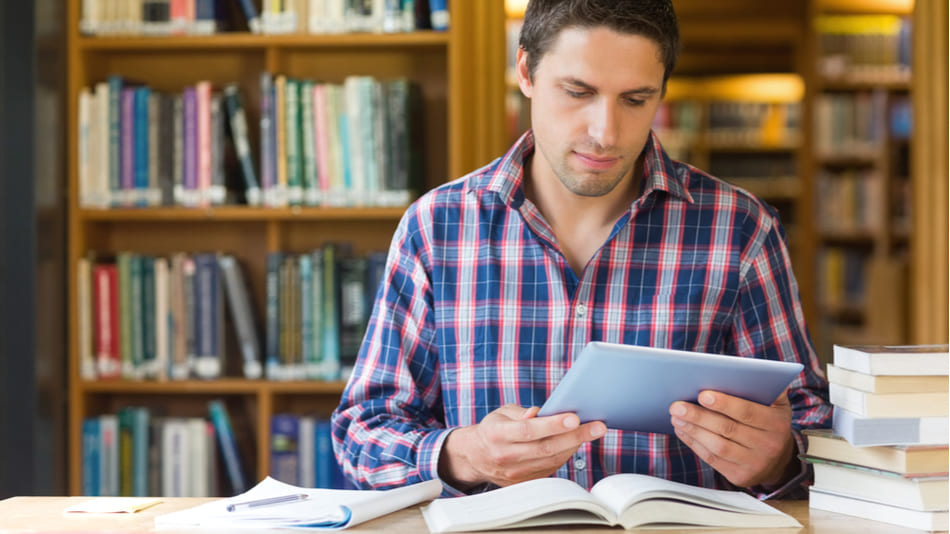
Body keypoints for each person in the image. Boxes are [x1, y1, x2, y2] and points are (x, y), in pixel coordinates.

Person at [331, 0, 831, 498]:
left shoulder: (740, 230)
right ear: (526, 70)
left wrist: (783, 458)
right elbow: (361, 436)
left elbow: (815, 430)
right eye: (577, 92)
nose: (604, 133)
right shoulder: (436, 228)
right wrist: (466, 454)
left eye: (635, 100)